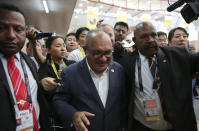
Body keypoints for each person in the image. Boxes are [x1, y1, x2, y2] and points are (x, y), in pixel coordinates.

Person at [120, 22, 198, 131]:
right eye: (144, 37)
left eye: (153, 35)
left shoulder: (177, 55)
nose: (151, 40)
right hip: (142, 127)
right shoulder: (127, 63)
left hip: (178, 126)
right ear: (134, 41)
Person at [53, 30, 127, 131]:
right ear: (85, 50)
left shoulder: (119, 70)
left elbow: (122, 102)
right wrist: (73, 114)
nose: (103, 59)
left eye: (108, 52)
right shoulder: (70, 73)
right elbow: (59, 100)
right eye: (97, 53)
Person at [0, 3, 50, 130]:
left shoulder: (29, 62)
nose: (11, 35)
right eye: (2, 27)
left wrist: (41, 84)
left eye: (18, 29)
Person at [38, 36, 75, 131]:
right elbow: (46, 92)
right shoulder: (44, 68)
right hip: (55, 113)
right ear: (48, 50)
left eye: (63, 45)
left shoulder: (72, 64)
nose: (63, 48)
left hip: (74, 109)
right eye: (58, 46)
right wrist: (59, 80)